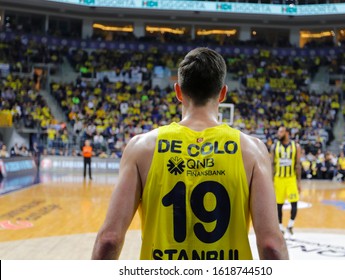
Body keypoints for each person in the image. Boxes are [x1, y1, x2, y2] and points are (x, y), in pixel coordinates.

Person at [92, 48, 288, 260]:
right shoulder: (253, 150)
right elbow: (270, 244)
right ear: (222, 93)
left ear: (178, 92)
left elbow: (109, 239)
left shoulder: (141, 147)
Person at [271, 126, 302, 236]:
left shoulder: (296, 146)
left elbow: (298, 165)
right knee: (278, 205)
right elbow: (272, 165)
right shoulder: (275, 146)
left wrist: (299, 182)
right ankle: (280, 227)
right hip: (278, 179)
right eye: (278, 131)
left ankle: (290, 225)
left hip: (291, 179)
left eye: (281, 132)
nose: (278, 134)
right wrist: (270, 181)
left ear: (287, 133)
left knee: (294, 203)